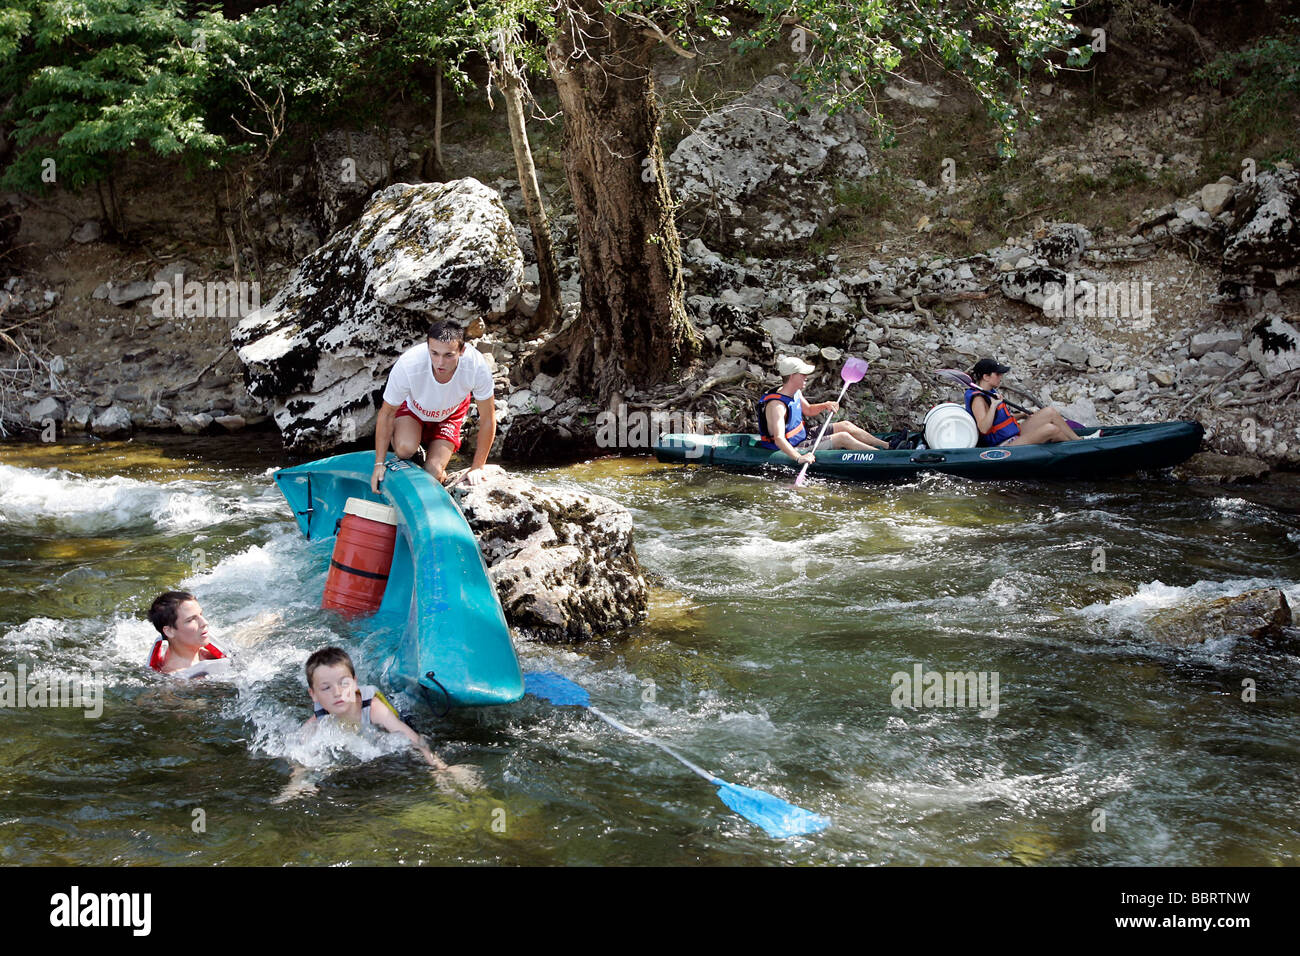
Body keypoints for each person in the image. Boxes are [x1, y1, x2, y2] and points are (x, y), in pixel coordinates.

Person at [371, 320, 497, 492]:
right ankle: (414, 445)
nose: (440, 363)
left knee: (433, 472)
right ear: (427, 347)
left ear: (462, 351)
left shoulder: (476, 366)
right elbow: (387, 413)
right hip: (413, 410)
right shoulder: (409, 364)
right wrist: (379, 463)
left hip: (450, 414)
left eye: (448, 355)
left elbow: (488, 418)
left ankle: (437, 461)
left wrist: (477, 466)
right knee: (404, 449)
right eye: (434, 353)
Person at [301, 646, 448, 771]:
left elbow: (412, 738)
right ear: (313, 694)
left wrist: (439, 767)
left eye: (344, 683)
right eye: (326, 688)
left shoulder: (374, 709)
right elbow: (300, 755)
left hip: (401, 715)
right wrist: (299, 783)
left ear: (354, 683)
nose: (337, 693)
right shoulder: (317, 722)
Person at [756, 355, 889, 463]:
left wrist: (825, 405)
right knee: (842, 437)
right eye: (803, 374)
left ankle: (887, 446)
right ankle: (883, 457)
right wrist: (798, 457)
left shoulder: (795, 392)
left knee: (845, 425)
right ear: (792, 376)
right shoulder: (777, 406)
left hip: (803, 436)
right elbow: (779, 438)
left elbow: (808, 410)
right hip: (794, 446)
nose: (806, 377)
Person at [964, 358, 1081, 446]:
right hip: (1002, 444)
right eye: (998, 374)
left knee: (1049, 412)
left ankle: (1079, 442)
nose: (1001, 377)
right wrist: (994, 405)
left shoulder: (990, 392)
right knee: (1051, 429)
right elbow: (984, 428)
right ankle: (1075, 449)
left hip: (1011, 434)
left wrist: (1022, 415)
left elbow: (1001, 420)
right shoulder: (978, 399)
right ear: (986, 377)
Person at [146, 591, 230, 679]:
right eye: (190, 620)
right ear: (169, 631)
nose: (205, 622)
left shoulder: (204, 644)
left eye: (200, 614)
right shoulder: (178, 679)